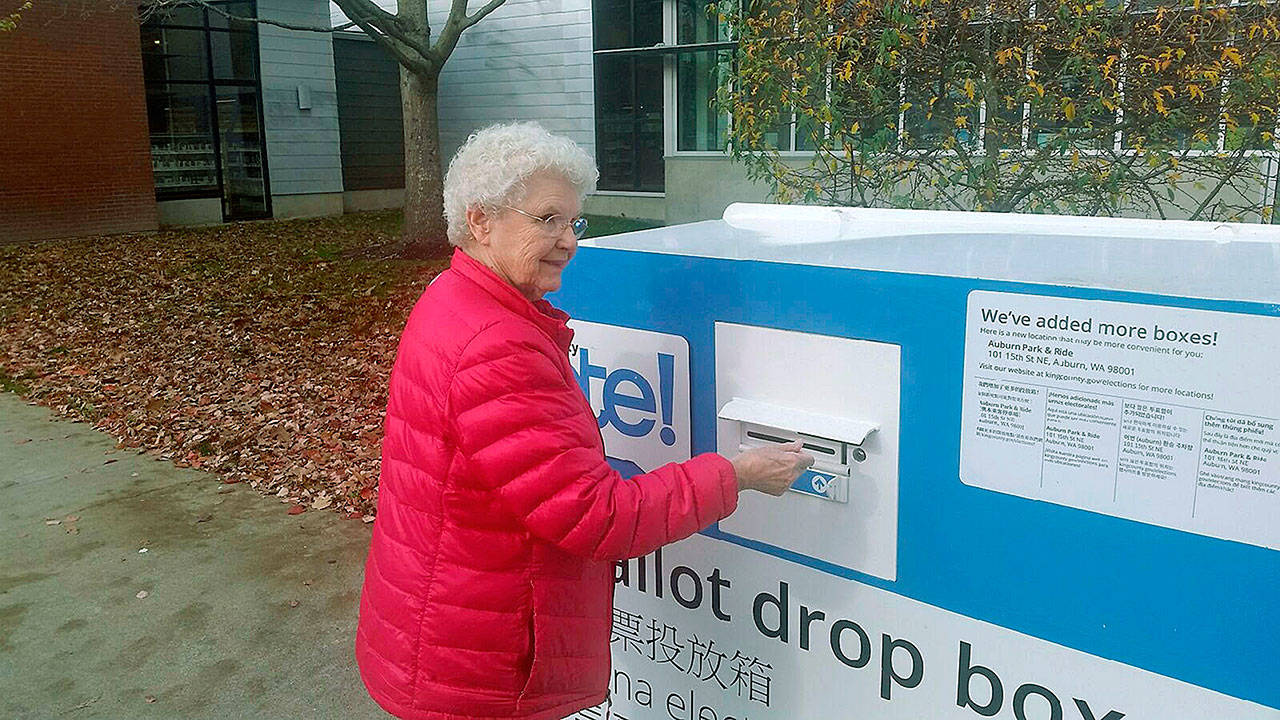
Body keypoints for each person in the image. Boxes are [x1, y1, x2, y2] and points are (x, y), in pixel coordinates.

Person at [355, 122, 812, 720]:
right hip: (478, 669)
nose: (567, 240)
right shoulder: (497, 345)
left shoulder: (453, 297)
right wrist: (737, 474)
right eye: (547, 219)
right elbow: (596, 517)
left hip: (442, 628)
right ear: (480, 221)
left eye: (574, 222)